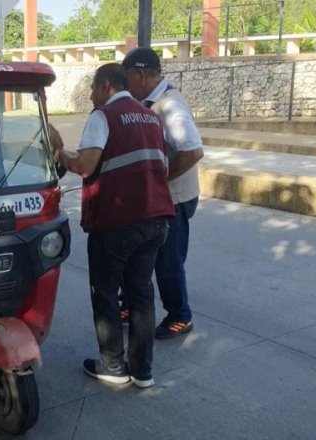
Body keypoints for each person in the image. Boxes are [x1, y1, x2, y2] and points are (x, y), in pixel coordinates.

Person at [49, 63, 174, 388]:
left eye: (92, 88)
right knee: (142, 294)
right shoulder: (151, 117)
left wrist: (58, 150)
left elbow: (86, 166)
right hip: (156, 219)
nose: (91, 96)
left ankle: (113, 366)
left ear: (105, 85)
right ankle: (143, 371)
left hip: (118, 223)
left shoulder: (104, 116)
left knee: (105, 293)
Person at [122, 48, 204, 339]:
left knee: (167, 260)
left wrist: (161, 181)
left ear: (141, 75)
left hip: (174, 199)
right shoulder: (146, 101)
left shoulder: (169, 105)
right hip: (156, 198)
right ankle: (132, 303)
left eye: (128, 78)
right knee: (137, 252)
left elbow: (192, 151)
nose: (126, 84)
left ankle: (180, 316)